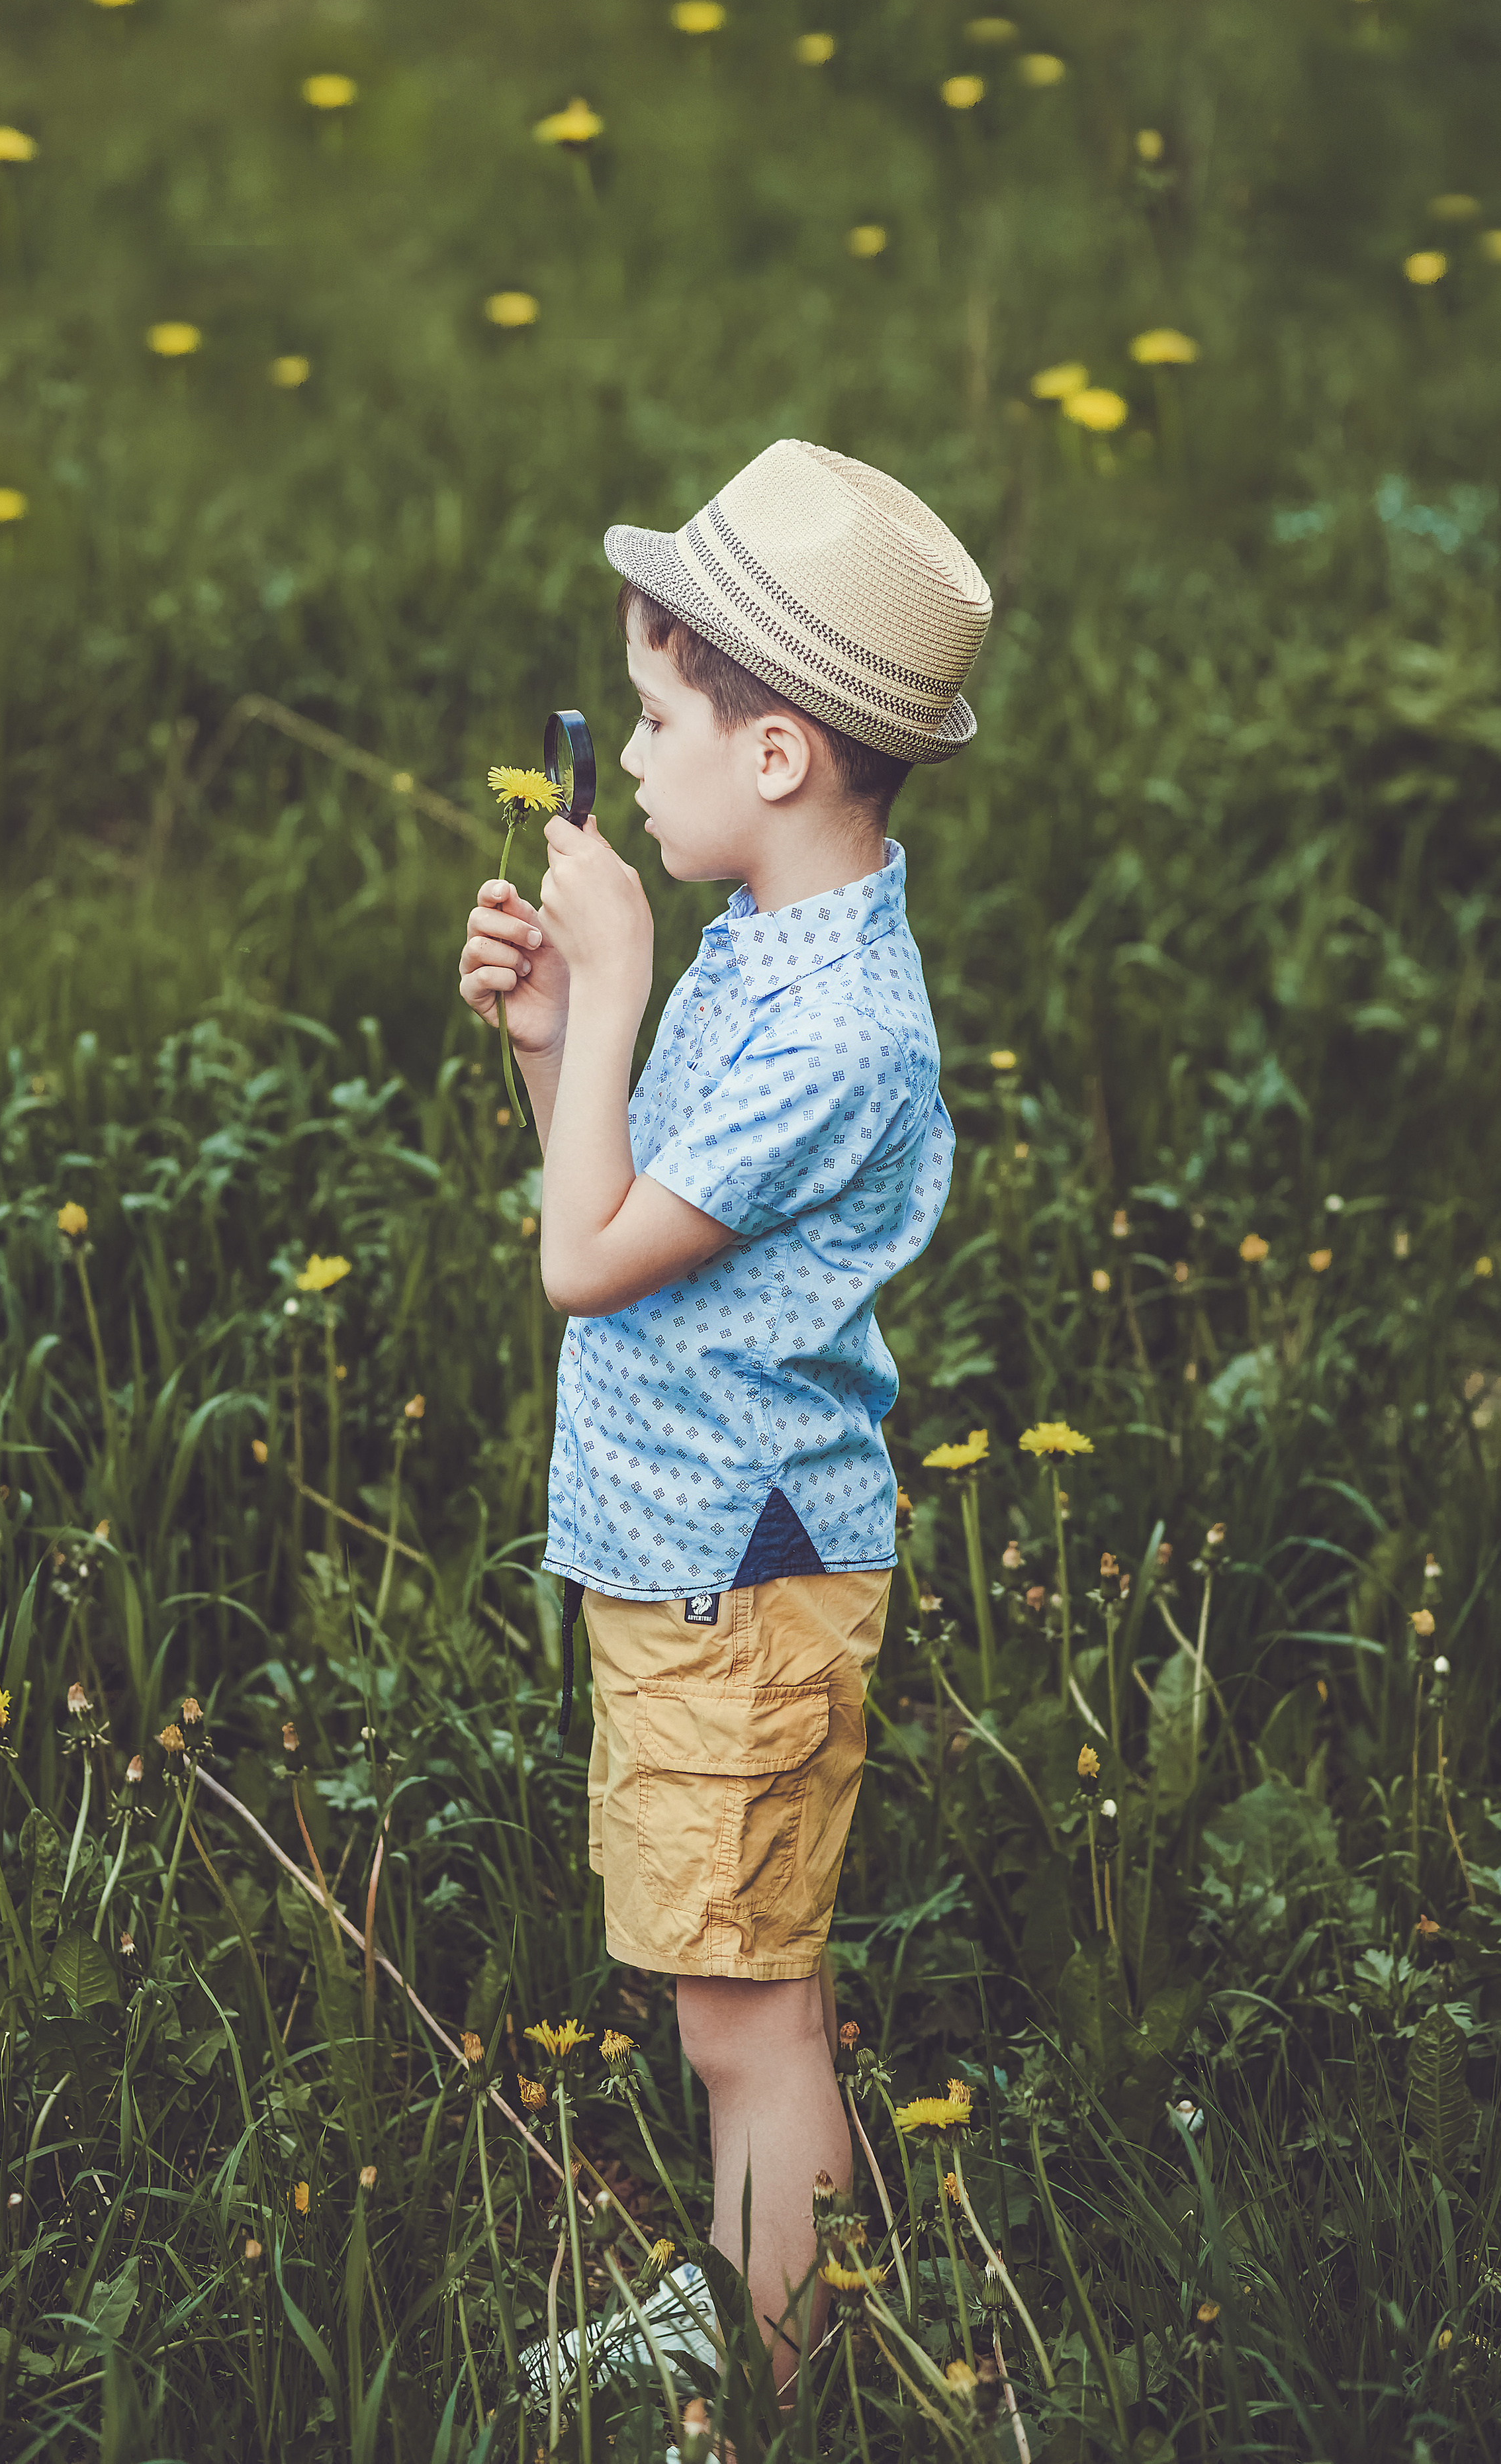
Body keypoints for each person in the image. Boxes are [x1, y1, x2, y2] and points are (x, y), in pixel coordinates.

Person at [457, 437, 991, 2395]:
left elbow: (579, 1265)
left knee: (743, 2014)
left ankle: (779, 2386)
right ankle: (765, 2286)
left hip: (738, 1579)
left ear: (777, 758)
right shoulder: (769, 957)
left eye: (661, 715)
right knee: (734, 1983)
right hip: (686, 1552)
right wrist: (553, 1046)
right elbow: (620, 1206)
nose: (641, 755)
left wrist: (607, 989)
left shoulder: (840, 1025)